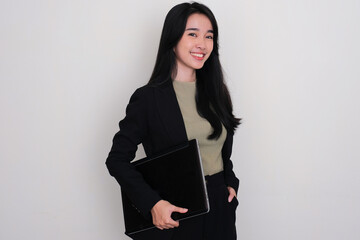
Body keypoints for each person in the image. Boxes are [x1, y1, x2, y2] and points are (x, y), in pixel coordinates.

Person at [106, 2, 241, 240]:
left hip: (221, 211)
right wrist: (152, 204)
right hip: (177, 215)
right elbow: (116, 159)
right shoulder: (148, 98)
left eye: (209, 36)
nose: (202, 43)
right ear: (173, 38)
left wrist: (230, 184)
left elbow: (222, 153)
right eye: (192, 34)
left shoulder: (217, 93)